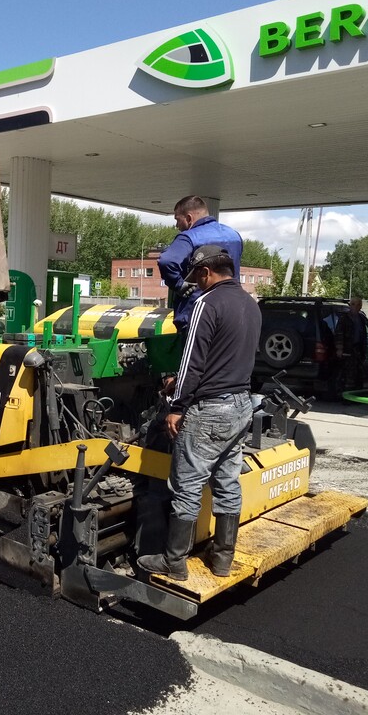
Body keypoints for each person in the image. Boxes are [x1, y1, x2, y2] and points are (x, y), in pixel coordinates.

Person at [138, 245, 261, 581]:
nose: (196, 284)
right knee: (227, 482)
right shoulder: (251, 305)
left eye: (196, 277)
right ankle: (222, 560)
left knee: (187, 486)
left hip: (208, 411)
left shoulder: (206, 303)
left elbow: (193, 358)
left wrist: (177, 406)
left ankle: (173, 562)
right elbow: (229, 357)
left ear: (206, 273)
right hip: (240, 405)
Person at [158, 195, 244, 333]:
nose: (176, 225)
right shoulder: (234, 235)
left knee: (194, 353)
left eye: (177, 219)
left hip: (196, 312)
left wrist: (179, 285)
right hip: (232, 310)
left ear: (189, 218)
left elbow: (166, 261)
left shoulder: (189, 237)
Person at [334, 297, 368, 390]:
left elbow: (364, 335)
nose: (355, 307)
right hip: (347, 350)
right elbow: (339, 333)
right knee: (348, 374)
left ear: (360, 306)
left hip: (358, 350)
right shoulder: (345, 318)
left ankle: (356, 395)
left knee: (358, 374)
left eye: (357, 305)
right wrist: (339, 348)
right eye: (353, 304)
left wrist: (364, 351)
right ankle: (346, 396)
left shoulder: (361, 318)